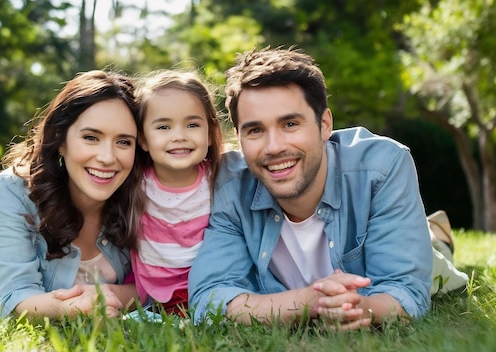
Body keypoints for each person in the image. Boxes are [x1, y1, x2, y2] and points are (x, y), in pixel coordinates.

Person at [188, 47, 467, 330]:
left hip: (417, 254)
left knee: (433, 259)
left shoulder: (382, 167)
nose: (274, 147)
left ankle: (436, 233)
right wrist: (312, 301)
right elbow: (208, 300)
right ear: (238, 136)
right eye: (255, 130)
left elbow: (406, 292)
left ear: (324, 125)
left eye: (290, 123)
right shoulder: (229, 182)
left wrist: (360, 308)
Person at [0, 70, 143, 320]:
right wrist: (72, 308)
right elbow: (13, 296)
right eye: (91, 137)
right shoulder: (15, 189)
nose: (107, 157)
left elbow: (162, 287)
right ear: (60, 139)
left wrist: (107, 295)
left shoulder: (148, 193)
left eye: (124, 142)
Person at [130, 70, 223, 315]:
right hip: (152, 292)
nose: (179, 136)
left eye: (192, 124)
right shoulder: (135, 182)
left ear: (210, 133)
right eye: (163, 127)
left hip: (207, 287)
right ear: (143, 139)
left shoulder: (222, 178)